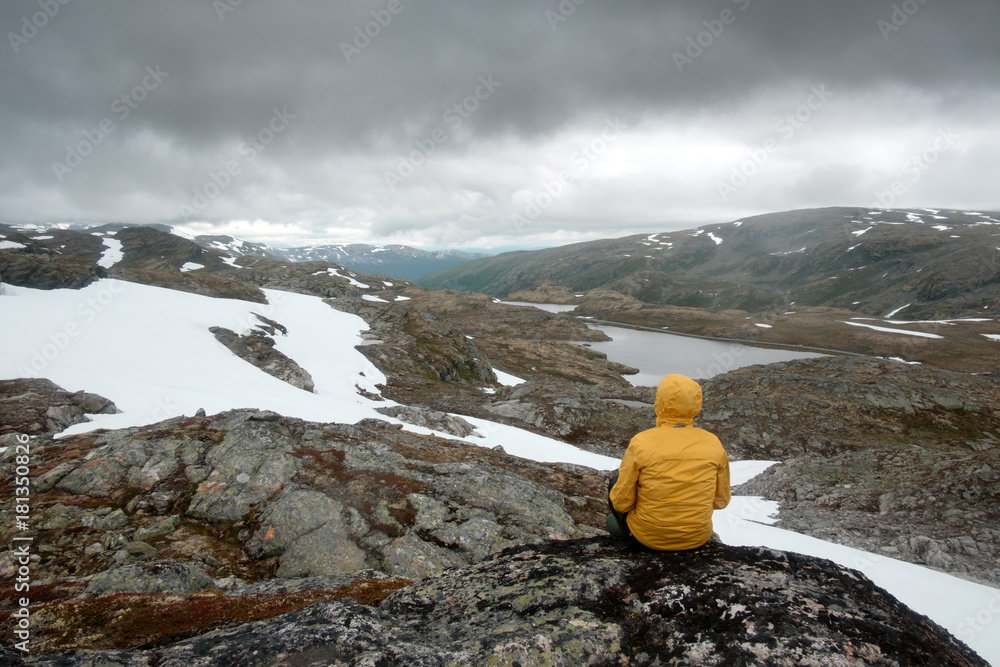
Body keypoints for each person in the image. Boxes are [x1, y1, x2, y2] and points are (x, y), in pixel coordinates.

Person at [606, 373, 730, 551]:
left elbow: (621, 503)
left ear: (659, 402)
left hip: (648, 538)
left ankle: (626, 534)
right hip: (697, 538)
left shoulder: (642, 441)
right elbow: (721, 501)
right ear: (696, 403)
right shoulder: (713, 443)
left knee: (615, 484)